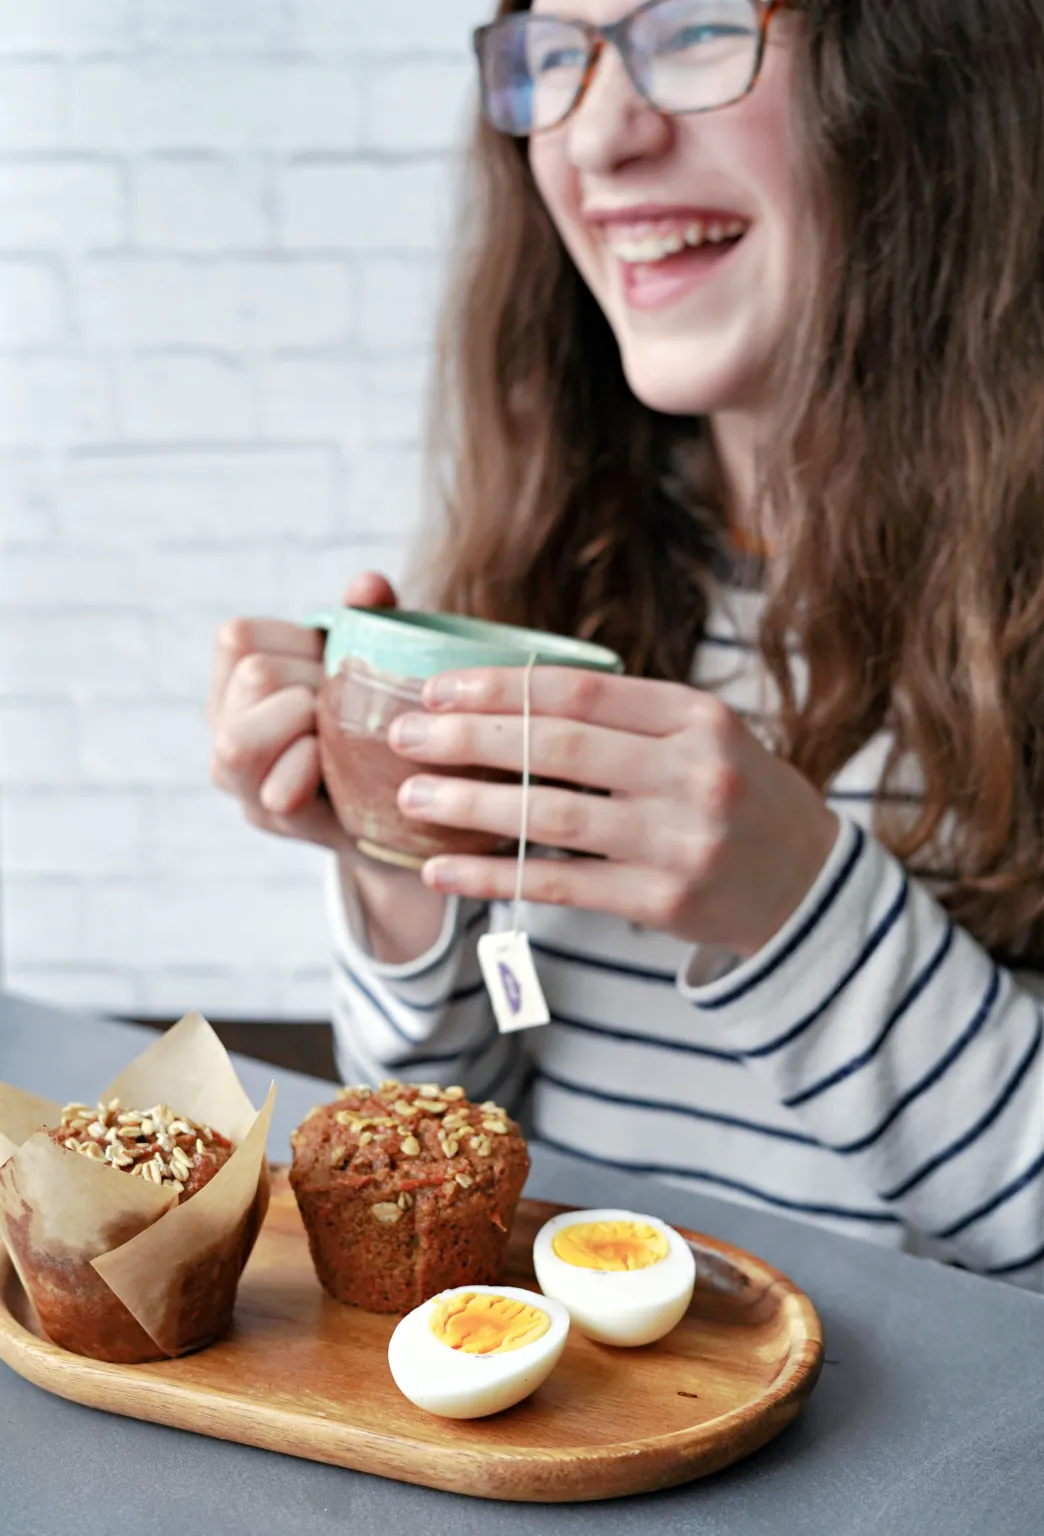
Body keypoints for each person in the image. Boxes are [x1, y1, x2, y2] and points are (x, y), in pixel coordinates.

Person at [208, 0, 1044, 1286]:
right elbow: (463, 1167)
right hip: (571, 1439)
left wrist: (796, 910)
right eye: (556, 50)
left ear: (925, 65)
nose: (595, 133)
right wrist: (392, 856)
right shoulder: (553, 564)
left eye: (698, 27)